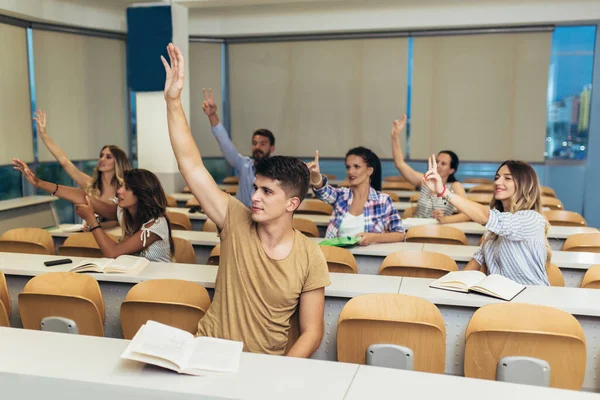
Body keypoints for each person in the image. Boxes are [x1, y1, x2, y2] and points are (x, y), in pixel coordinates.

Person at [162, 43, 330, 357]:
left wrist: (277, 376)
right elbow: (192, 167)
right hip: (208, 351)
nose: (254, 197)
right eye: (255, 188)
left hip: (265, 364)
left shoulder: (310, 256)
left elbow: (311, 332)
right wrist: (173, 102)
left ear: (292, 204)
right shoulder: (235, 219)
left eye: (267, 192)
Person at [422, 156, 550, 286]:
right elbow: (477, 260)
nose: (497, 182)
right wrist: (454, 284)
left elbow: (487, 217)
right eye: (497, 177)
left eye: (507, 178)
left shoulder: (532, 219)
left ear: (524, 185)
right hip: (501, 297)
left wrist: (444, 192)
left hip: (531, 299)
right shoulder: (492, 231)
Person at [12, 159, 173, 262]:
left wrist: (91, 220)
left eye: (126, 188)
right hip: (134, 278)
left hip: (157, 283)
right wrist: (38, 182)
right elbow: (82, 196)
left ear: (141, 194)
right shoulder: (123, 212)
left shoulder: (156, 225)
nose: (119, 191)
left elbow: (112, 252)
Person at [33, 109, 132, 226]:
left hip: (113, 237)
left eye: (108, 157)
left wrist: (95, 225)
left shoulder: (124, 189)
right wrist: (44, 135)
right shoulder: (89, 184)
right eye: (101, 155)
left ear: (118, 163)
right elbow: (64, 161)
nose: (102, 159)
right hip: (89, 235)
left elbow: (123, 220)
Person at [308, 147, 405, 245]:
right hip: (337, 256)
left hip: (368, 259)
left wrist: (373, 237)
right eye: (348, 167)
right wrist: (316, 177)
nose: (350, 172)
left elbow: (400, 234)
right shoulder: (341, 196)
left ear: (369, 171)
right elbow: (323, 192)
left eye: (356, 166)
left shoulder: (383, 201)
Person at [201, 88, 275, 207]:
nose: (257, 147)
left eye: (262, 144)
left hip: (264, 220)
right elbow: (225, 144)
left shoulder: (277, 171)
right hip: (241, 218)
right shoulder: (244, 165)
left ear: (272, 148)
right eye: (254, 143)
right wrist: (212, 115)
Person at [390, 115, 469, 223]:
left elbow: (467, 214)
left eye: (443, 163)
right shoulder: (425, 180)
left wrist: (445, 219)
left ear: (451, 170)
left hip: (441, 232)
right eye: (437, 161)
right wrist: (395, 136)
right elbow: (400, 164)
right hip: (416, 229)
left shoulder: (455, 186)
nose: (438, 165)